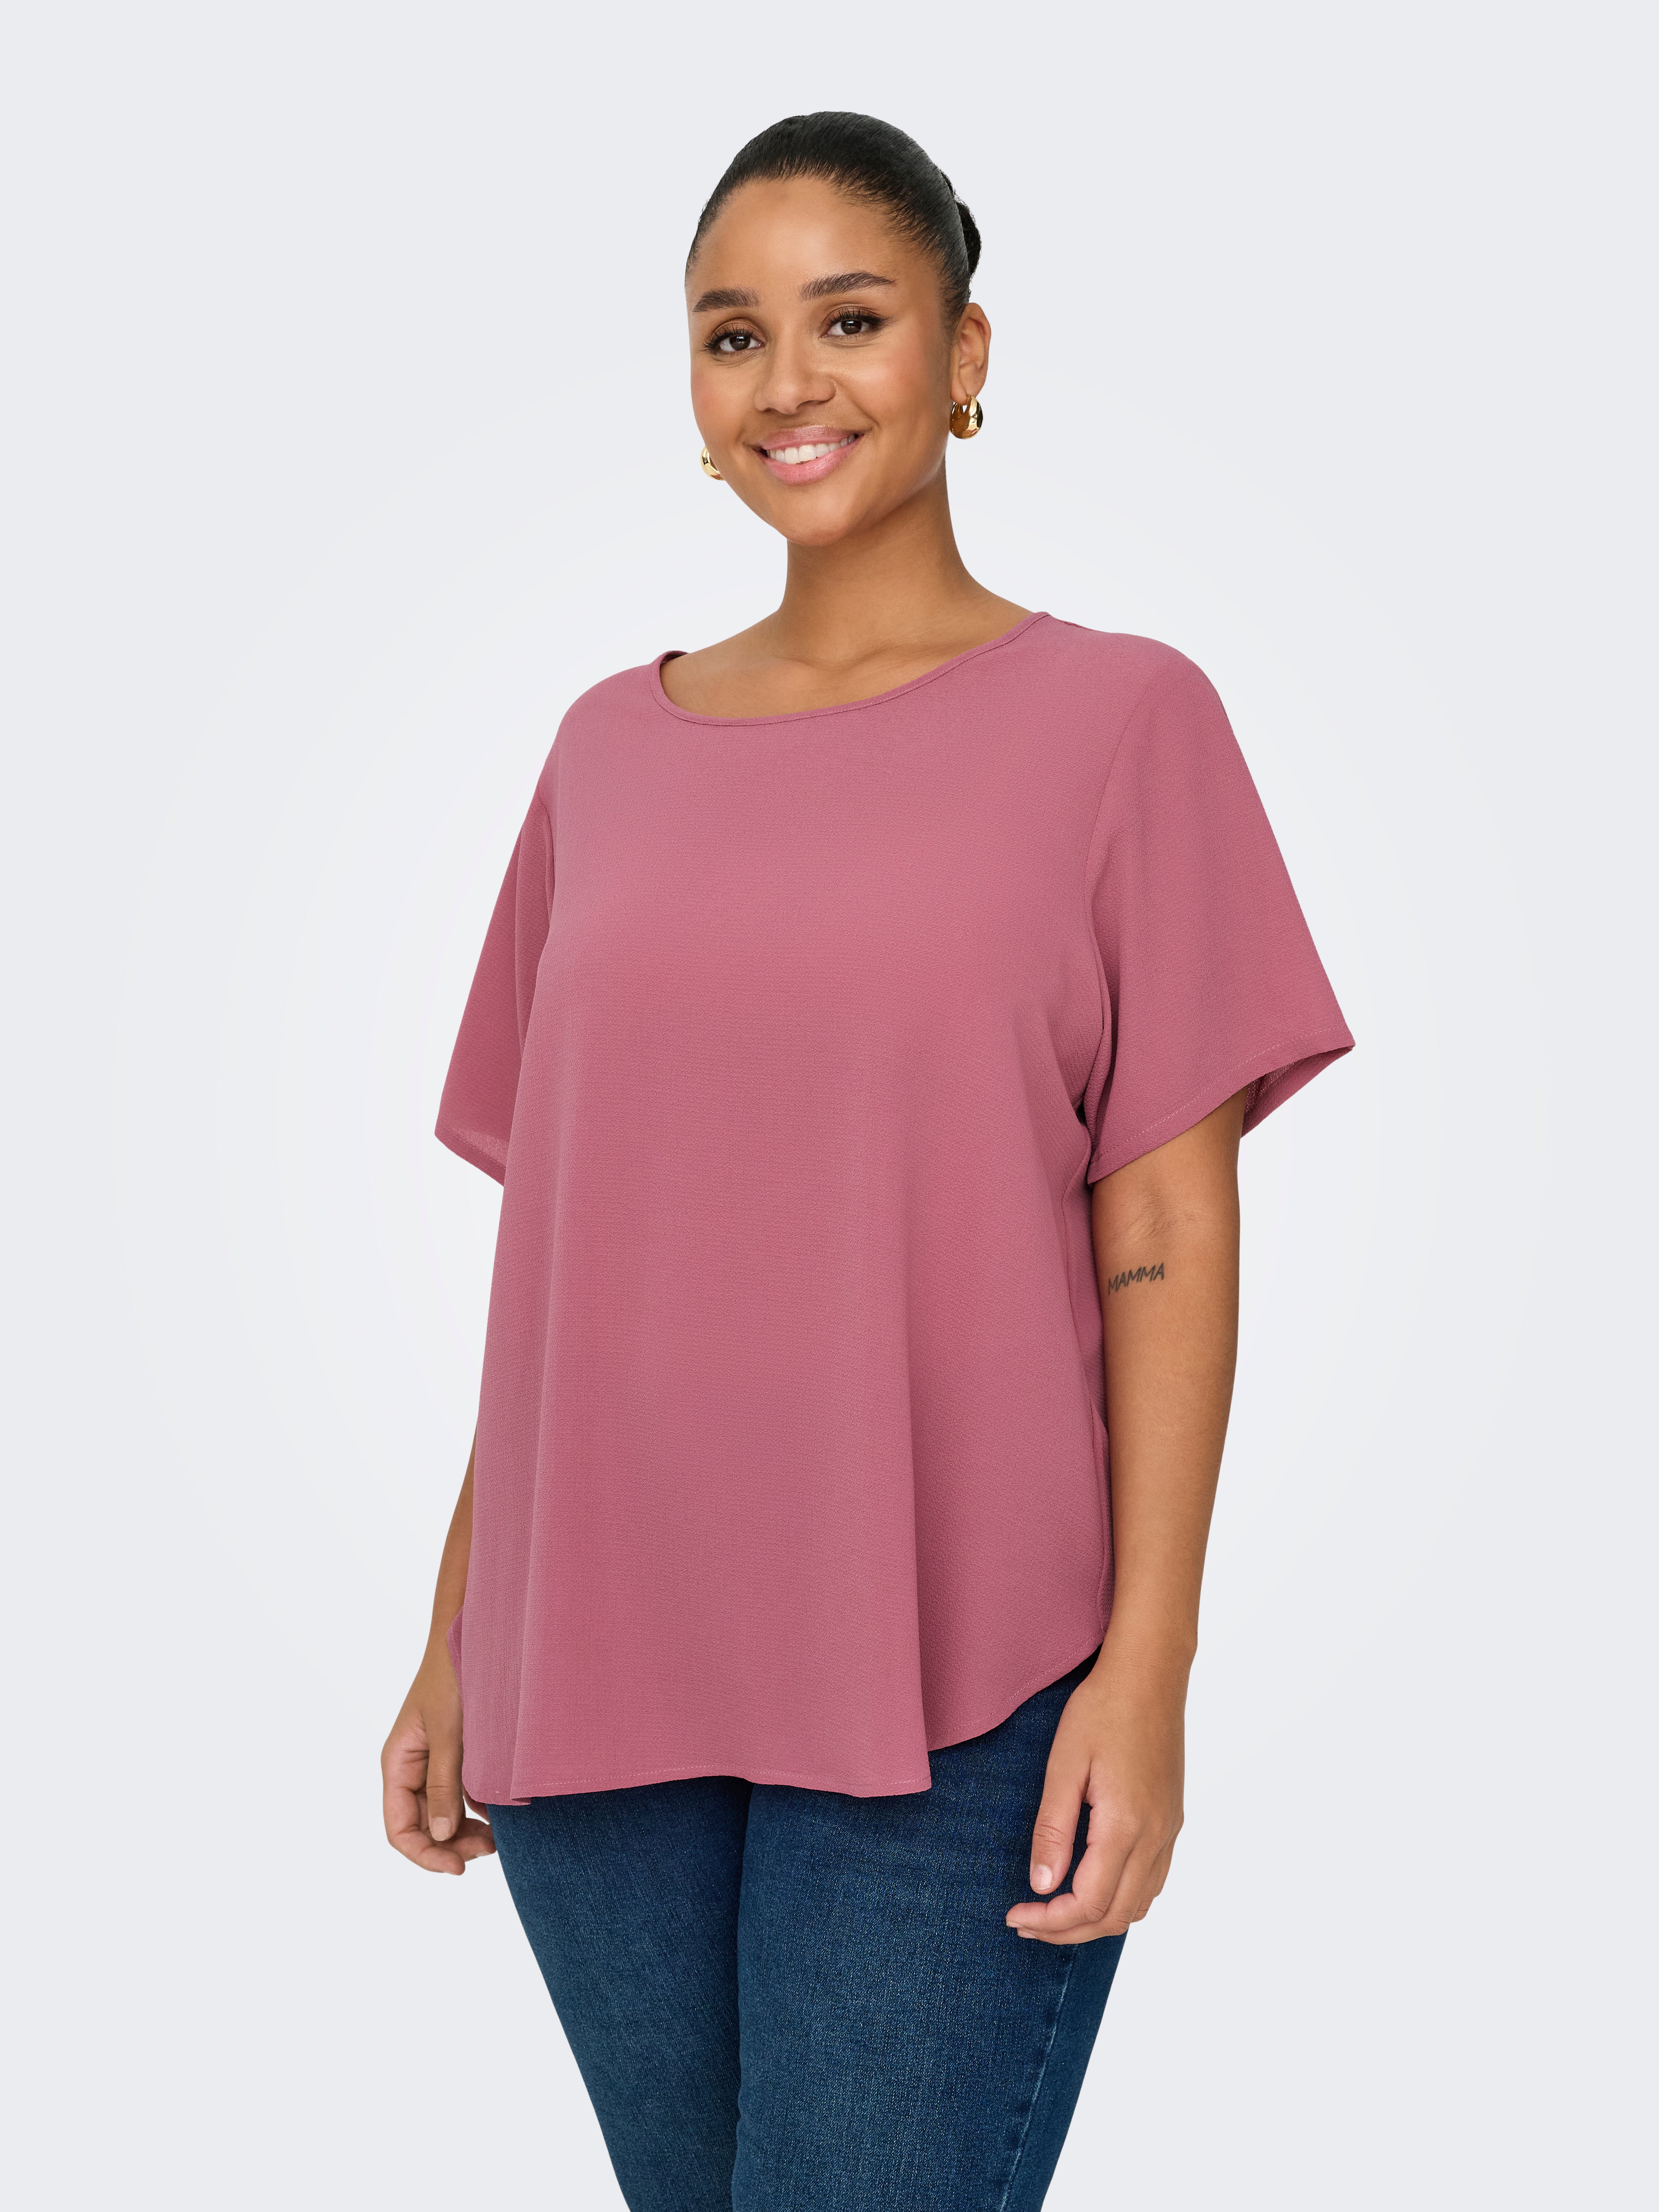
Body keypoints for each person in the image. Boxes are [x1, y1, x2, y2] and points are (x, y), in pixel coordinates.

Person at [381, 110, 1353, 2212]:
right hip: (593, 1668)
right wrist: (459, 1627)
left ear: (964, 352)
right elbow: (567, 1244)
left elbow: (1167, 1227)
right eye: (733, 333)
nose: (787, 380)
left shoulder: (1124, 724)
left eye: (851, 318)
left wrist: (1151, 1668)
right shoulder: (605, 747)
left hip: (959, 1679)